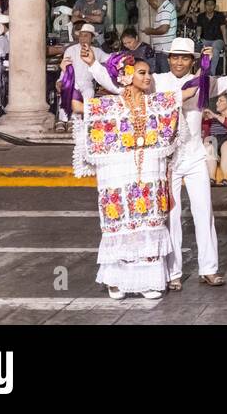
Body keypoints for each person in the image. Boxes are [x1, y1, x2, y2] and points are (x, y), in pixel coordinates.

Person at [91, 36, 227, 290]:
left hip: (195, 156)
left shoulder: (203, 82)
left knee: (204, 213)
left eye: (184, 57)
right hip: (167, 161)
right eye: (175, 57)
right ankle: (173, 273)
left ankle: (209, 269)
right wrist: (93, 66)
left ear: (192, 60)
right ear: (169, 59)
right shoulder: (157, 81)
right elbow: (119, 87)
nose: (179, 62)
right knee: (171, 217)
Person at [72, 50, 196, 300]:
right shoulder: (109, 105)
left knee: (148, 221)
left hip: (148, 172)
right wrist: (70, 78)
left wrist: (202, 69)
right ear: (126, 77)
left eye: (149, 72)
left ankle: (148, 280)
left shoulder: (156, 103)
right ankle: (116, 281)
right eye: (142, 72)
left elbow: (188, 93)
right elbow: (77, 106)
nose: (148, 77)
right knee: (120, 225)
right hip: (117, 173)